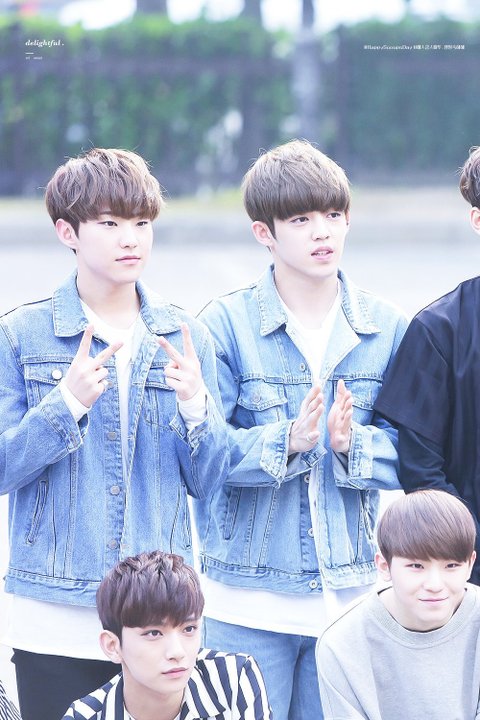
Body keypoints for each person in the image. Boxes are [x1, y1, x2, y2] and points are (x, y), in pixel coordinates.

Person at [0, 148, 228, 720]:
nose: (131, 239)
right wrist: (65, 405)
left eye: (142, 223)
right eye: (109, 223)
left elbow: (208, 482)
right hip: (55, 612)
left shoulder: (184, 334)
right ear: (67, 232)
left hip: (158, 618)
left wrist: (196, 408)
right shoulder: (21, 335)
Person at [194, 139, 408, 719]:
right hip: (244, 601)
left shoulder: (386, 326)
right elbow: (201, 457)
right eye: (301, 219)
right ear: (263, 233)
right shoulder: (225, 325)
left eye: (334, 214)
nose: (323, 232)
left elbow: (413, 453)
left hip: (348, 601)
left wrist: (352, 445)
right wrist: (284, 442)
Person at [374, 145, 480, 585]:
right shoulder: (438, 330)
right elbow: (422, 471)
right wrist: (467, 553)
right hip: (470, 581)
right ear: (477, 220)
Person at [316, 489, 480, 719]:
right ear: (384, 566)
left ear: (470, 564)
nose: (435, 584)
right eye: (416, 566)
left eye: (451, 566)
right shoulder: (341, 641)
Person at [62, 549, 272, 720]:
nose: (177, 652)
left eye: (188, 629)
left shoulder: (234, 678)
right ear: (112, 646)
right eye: (154, 633)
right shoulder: (84, 716)